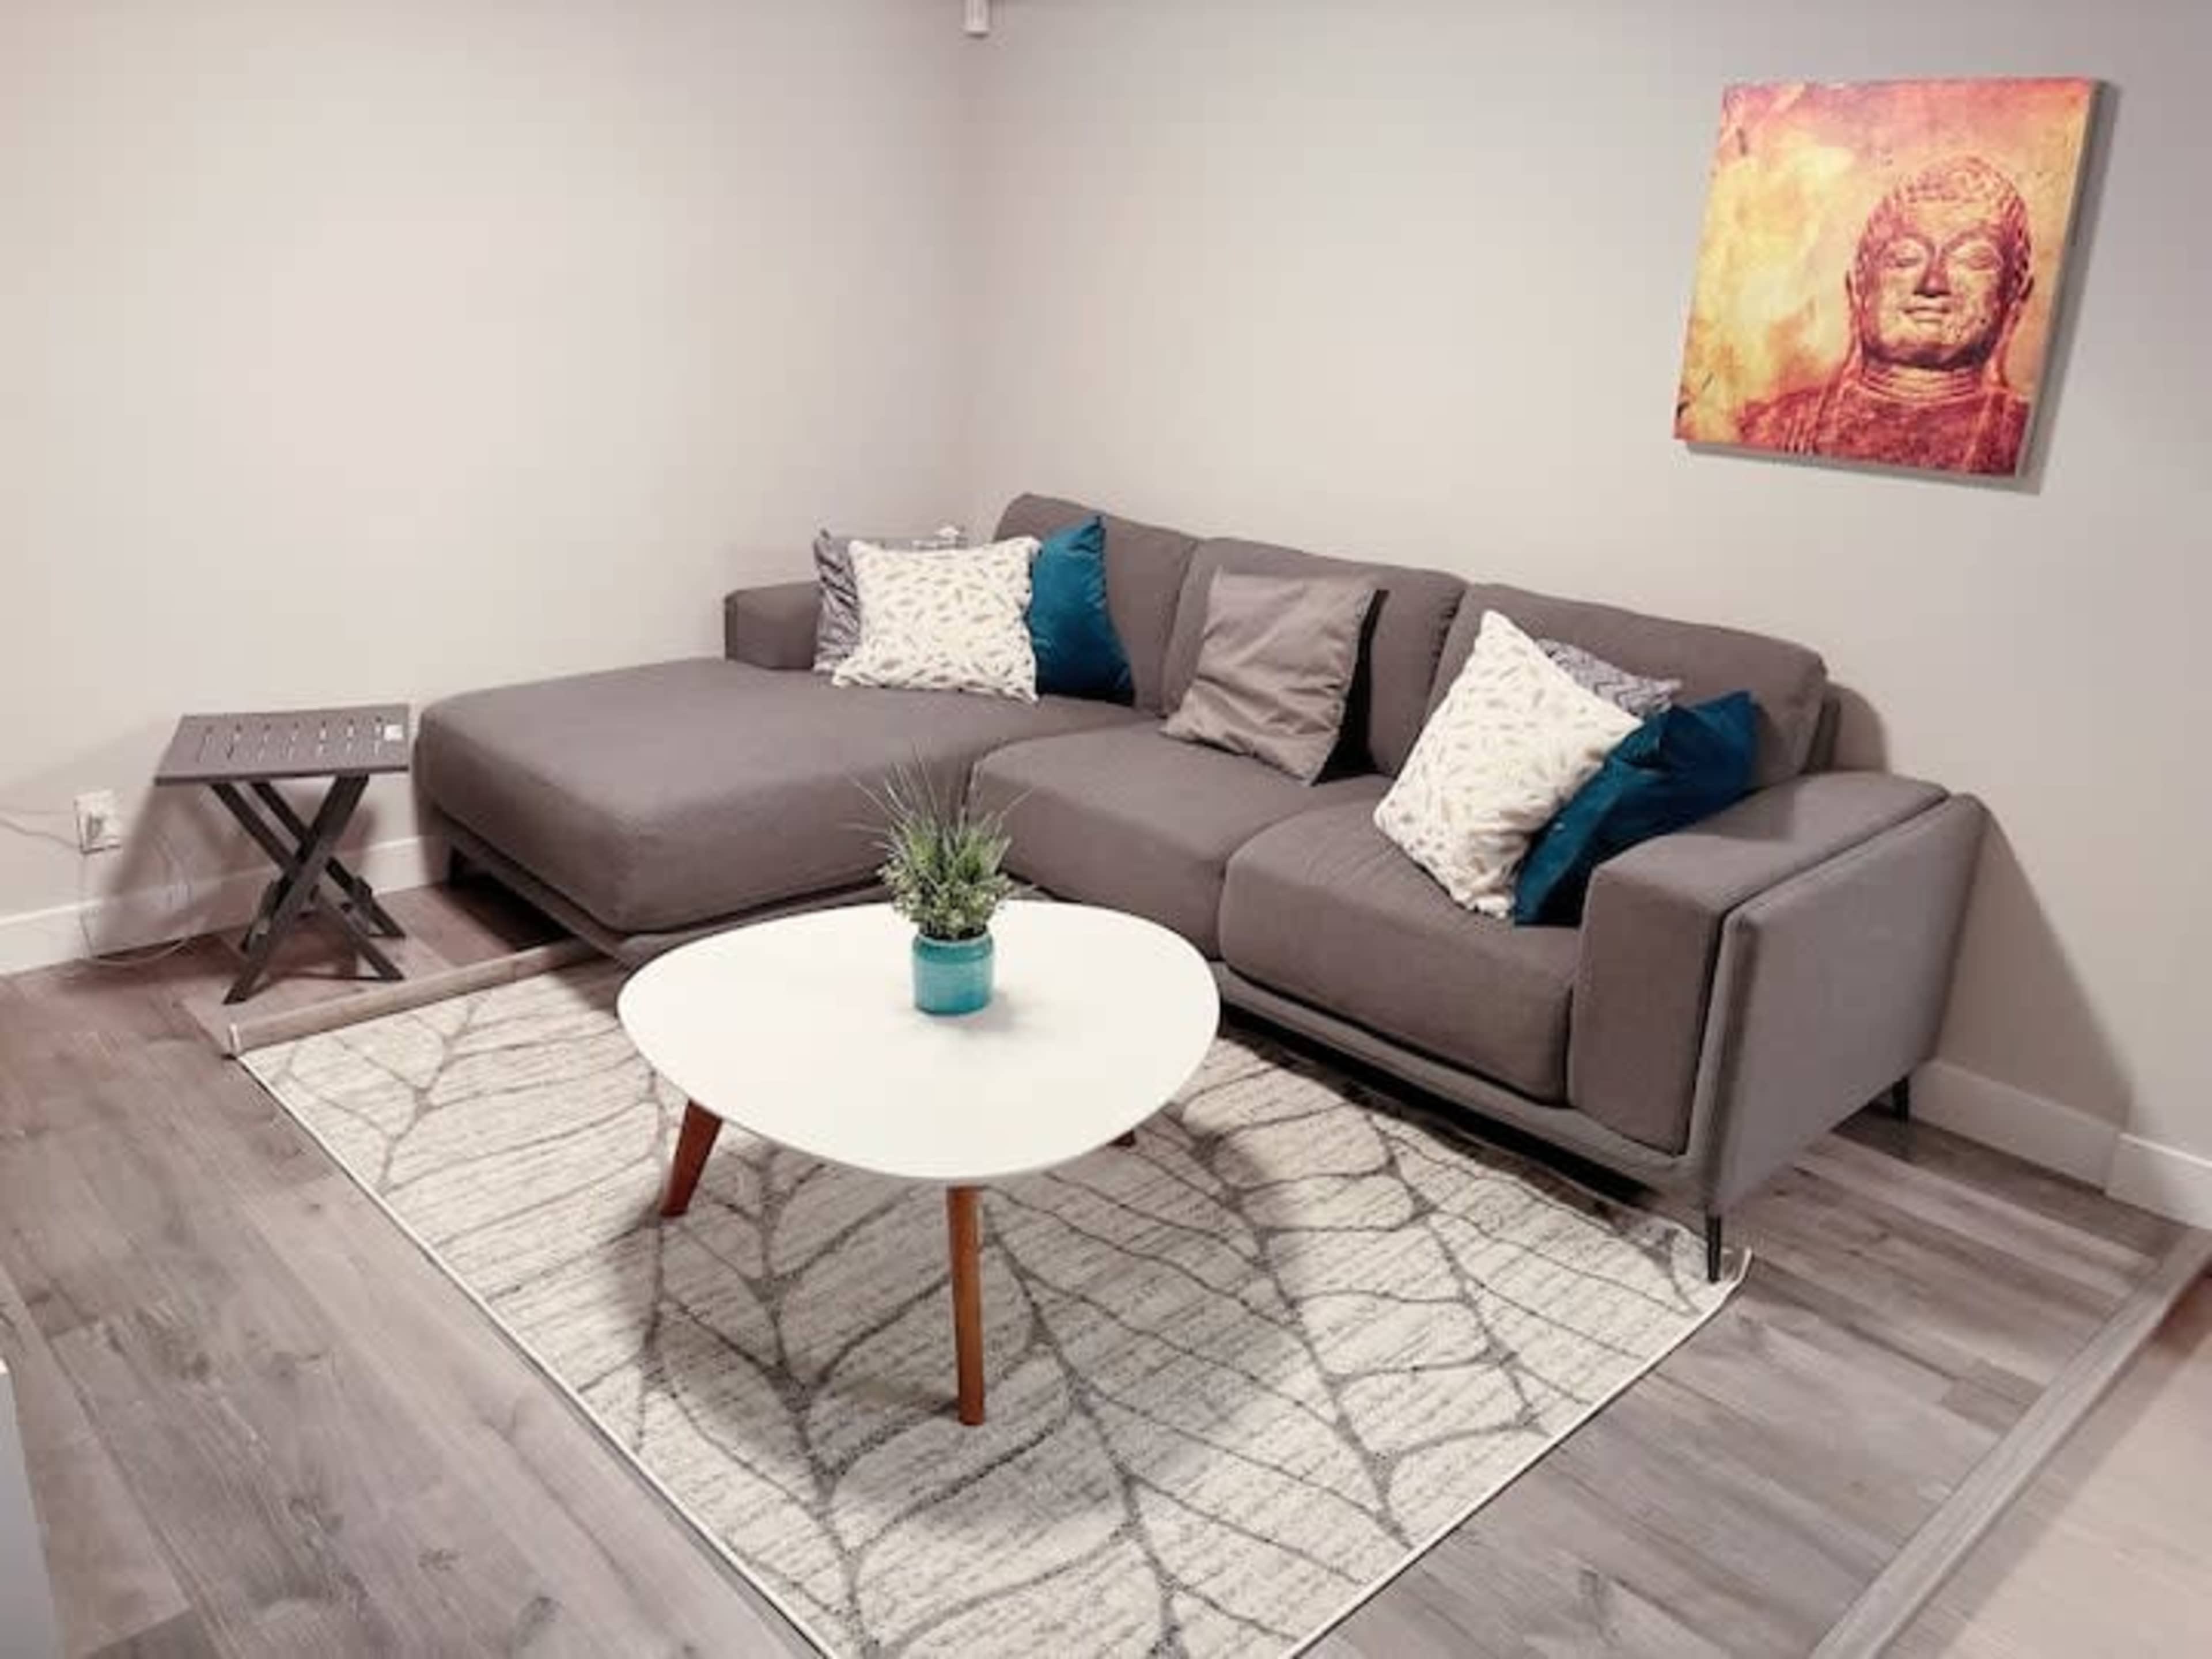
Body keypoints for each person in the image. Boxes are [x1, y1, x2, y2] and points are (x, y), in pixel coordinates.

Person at [1741, 156, 2036, 475]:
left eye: (1973, 261)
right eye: (1906, 259)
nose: (1933, 283)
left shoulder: (2021, 436)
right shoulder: (1778, 425)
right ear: (1858, 291)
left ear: (2014, 299)